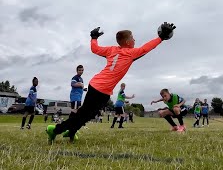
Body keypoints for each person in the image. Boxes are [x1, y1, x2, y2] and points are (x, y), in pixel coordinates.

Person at [46, 22, 176, 143]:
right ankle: (55, 130)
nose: (135, 40)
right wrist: (161, 38)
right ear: (127, 42)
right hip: (99, 90)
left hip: (98, 87)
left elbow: (95, 49)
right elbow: (146, 48)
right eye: (133, 38)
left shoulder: (112, 50)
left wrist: (94, 37)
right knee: (84, 114)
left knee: (86, 114)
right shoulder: (130, 53)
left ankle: (71, 132)